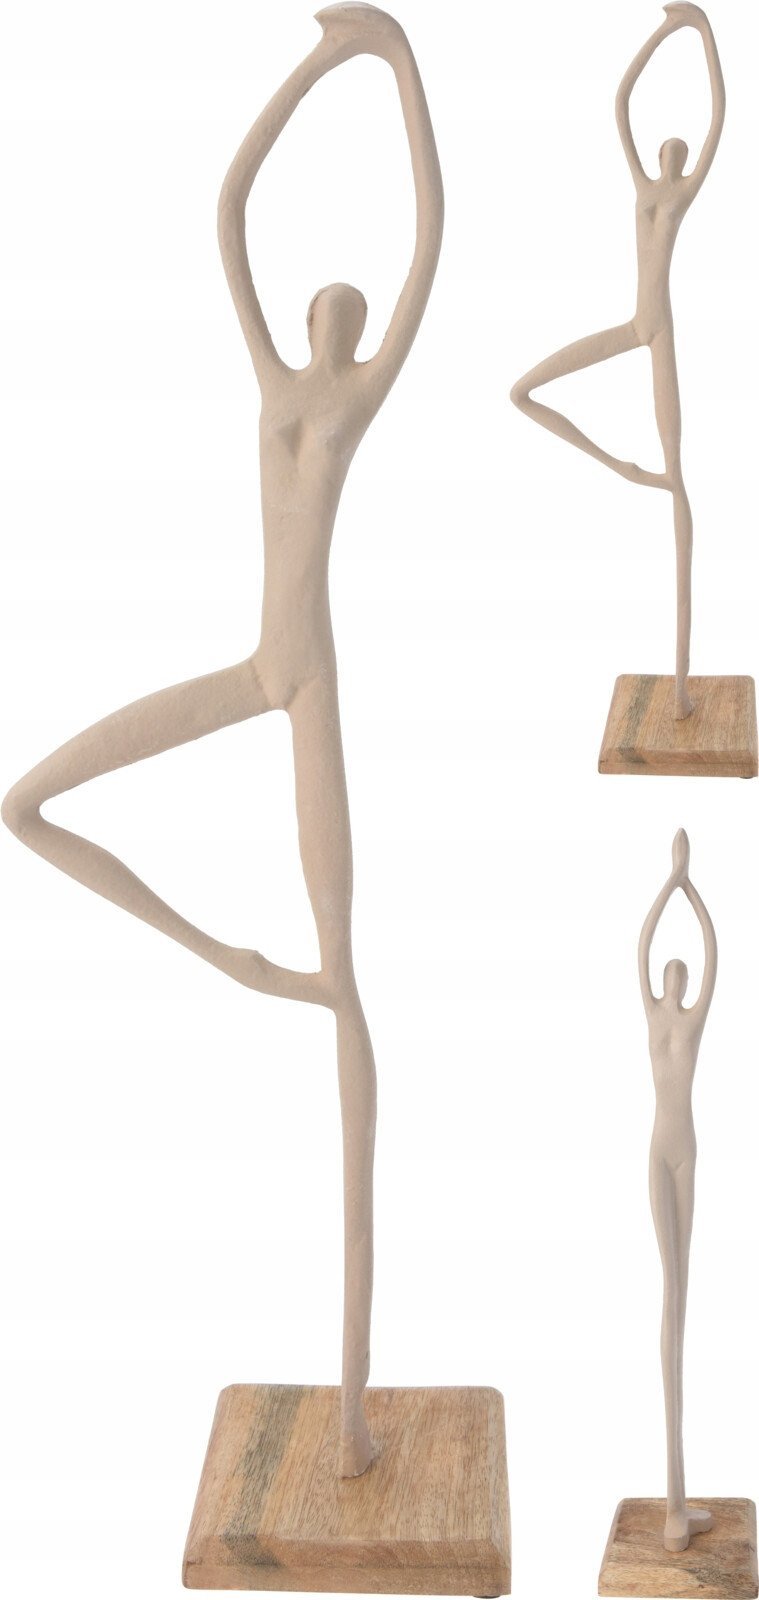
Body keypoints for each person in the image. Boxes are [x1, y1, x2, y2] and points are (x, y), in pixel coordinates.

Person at [2, 2, 443, 1479]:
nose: (338, 312)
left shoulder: (361, 392)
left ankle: (356, 1402)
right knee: (27, 803)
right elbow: (230, 210)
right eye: (327, 305)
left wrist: (402, 66)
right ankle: (225, 959)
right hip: (252, 666)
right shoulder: (273, 381)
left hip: (308, 686)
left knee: (349, 981)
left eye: (351, 308)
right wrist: (319, 63)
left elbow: (430, 237)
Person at [511, 4, 725, 721]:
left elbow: (718, 116)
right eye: (666, 151)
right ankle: (621, 467)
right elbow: (621, 103)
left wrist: (703, 32)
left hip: (658, 333)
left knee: (679, 475)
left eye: (679, 152)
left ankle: (683, 687)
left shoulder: (684, 191)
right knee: (525, 390)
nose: (671, 155)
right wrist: (665, 31)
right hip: (633, 324)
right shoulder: (643, 186)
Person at [638, 828, 717, 1550]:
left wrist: (691, 888)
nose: (671, 978)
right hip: (661, 1149)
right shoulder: (655, 1014)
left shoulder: (690, 1017)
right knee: (670, 1294)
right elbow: (640, 946)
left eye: (678, 974)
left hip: (686, 1151)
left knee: (683, 1293)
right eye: (668, 973)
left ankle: (678, 1502)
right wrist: (672, 879)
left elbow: (712, 952)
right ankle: (672, 1502)